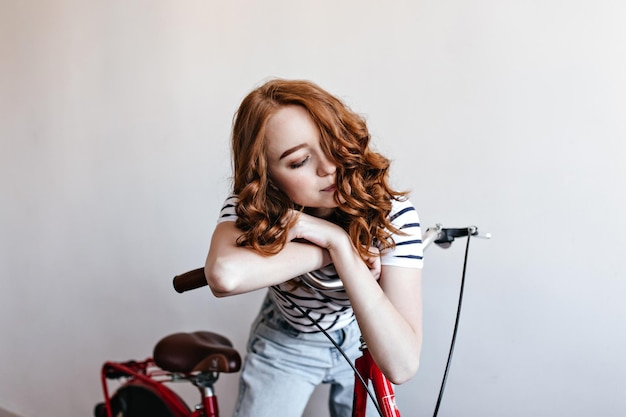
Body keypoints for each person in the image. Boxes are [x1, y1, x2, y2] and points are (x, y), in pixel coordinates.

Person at [204, 79, 424, 417]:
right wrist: (336, 246)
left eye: (332, 143)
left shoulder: (389, 214)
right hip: (285, 341)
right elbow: (224, 275)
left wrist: (335, 241)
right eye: (299, 161)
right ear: (266, 177)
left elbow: (403, 364)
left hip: (357, 332)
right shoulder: (251, 206)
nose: (329, 167)